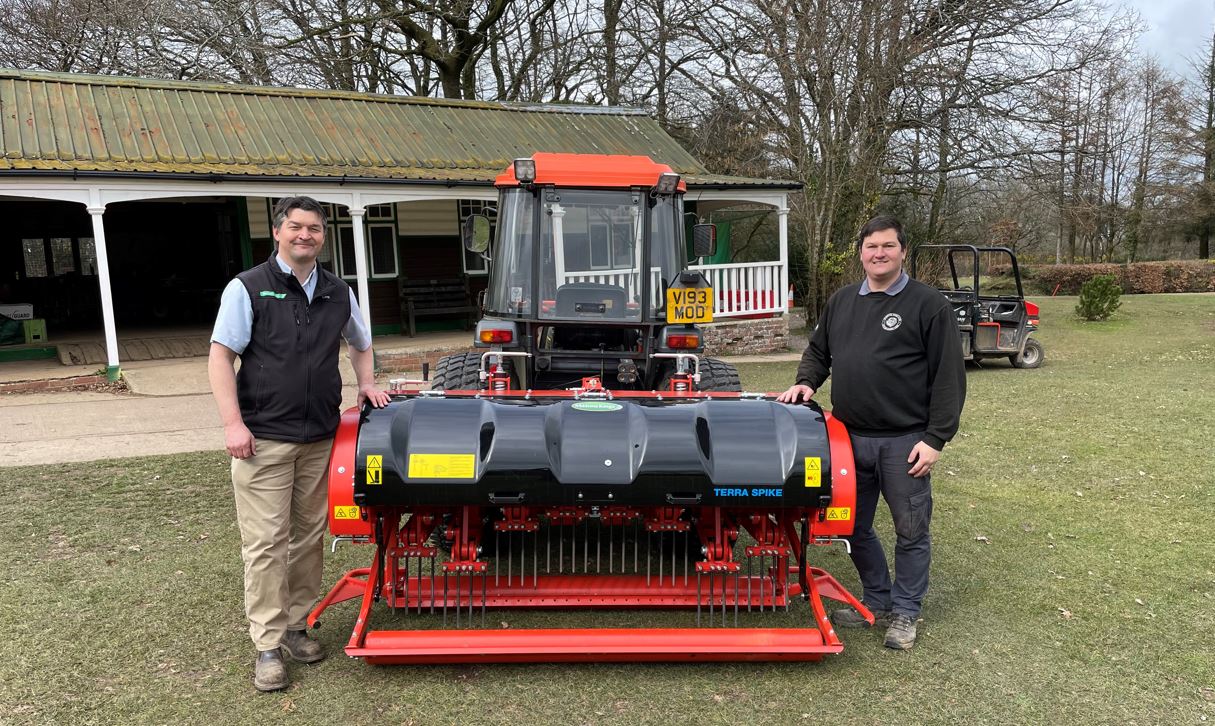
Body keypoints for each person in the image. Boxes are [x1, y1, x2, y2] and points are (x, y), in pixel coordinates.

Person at [208, 196, 390, 691]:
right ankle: (267, 644)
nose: (304, 235)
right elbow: (221, 356)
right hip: (263, 438)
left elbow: (360, 341)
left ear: (323, 236)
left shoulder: (336, 291)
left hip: (319, 438)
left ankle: (295, 625)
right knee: (266, 542)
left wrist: (365, 383)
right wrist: (232, 424)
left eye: (313, 228)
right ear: (278, 232)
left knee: (309, 537)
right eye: (295, 227)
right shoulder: (248, 287)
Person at [777, 215, 965, 650]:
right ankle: (877, 600)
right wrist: (807, 380)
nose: (878, 253)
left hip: (906, 441)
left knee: (911, 529)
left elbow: (949, 378)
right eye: (871, 247)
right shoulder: (843, 301)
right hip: (847, 441)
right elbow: (819, 351)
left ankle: (905, 613)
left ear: (903, 251)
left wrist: (936, 438)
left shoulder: (927, 305)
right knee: (851, 526)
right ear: (861, 253)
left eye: (888, 246)